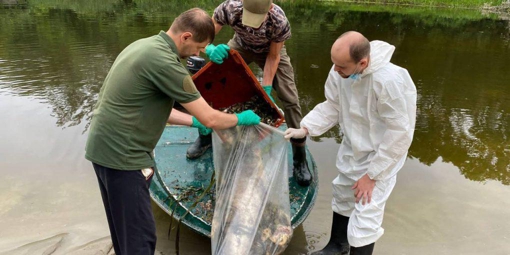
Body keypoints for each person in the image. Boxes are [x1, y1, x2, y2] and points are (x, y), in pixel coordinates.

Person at [85, 8, 260, 255]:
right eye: (200, 47)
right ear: (186, 36)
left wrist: (192, 122)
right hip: (124, 158)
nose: (200, 54)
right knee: (140, 241)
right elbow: (210, 118)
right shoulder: (166, 64)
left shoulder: (143, 46)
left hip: (102, 150)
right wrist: (240, 118)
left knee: (123, 232)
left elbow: (157, 107)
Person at [285, 31, 417, 255]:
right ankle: (337, 246)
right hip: (353, 146)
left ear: (362, 62)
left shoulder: (390, 81)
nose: (335, 70)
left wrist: (372, 175)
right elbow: (332, 105)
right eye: (334, 64)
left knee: (366, 213)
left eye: (341, 67)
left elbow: (400, 133)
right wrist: (306, 128)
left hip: (381, 155)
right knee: (344, 193)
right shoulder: (341, 69)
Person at [186, 0, 312, 187]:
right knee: (210, 81)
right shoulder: (230, 8)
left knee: (291, 100)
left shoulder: (279, 20)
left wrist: (267, 89)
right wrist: (209, 49)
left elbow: (273, 56)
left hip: (269, 51)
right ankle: (205, 138)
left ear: (269, 8)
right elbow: (203, 36)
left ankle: (299, 157)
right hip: (240, 45)